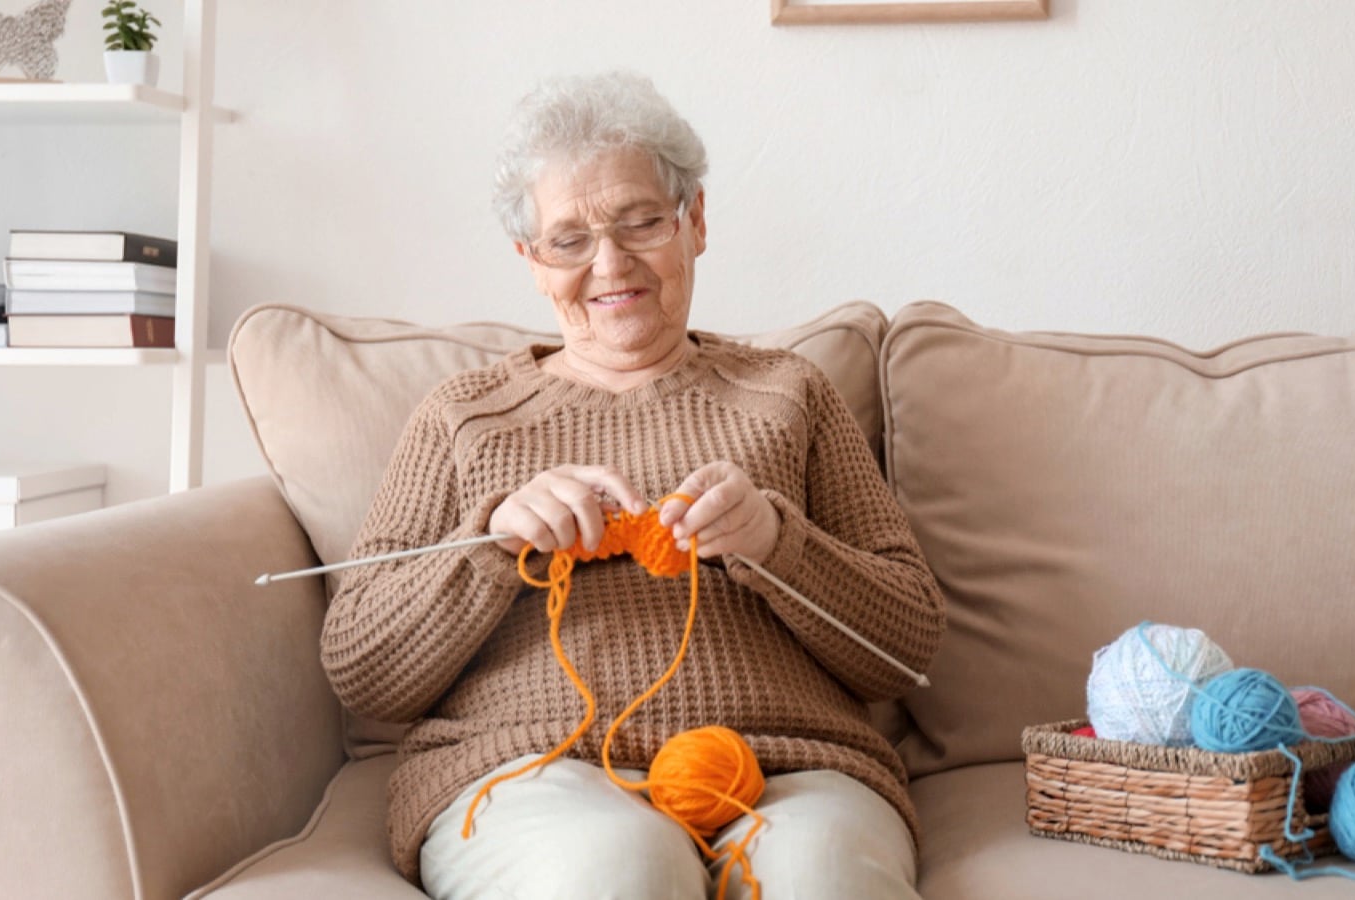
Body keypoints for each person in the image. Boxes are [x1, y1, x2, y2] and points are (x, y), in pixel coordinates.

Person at [322, 70, 946, 900]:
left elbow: (905, 650)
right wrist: (493, 547)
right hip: (535, 768)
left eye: (640, 221)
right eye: (568, 239)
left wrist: (775, 542)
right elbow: (363, 670)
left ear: (694, 222)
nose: (610, 263)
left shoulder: (789, 393)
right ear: (531, 262)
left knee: (822, 876)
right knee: (618, 867)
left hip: (786, 767)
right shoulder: (463, 415)